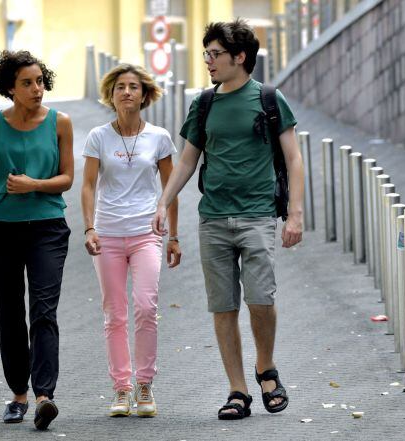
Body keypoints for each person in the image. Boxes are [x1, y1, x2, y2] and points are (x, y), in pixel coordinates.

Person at [152, 19, 304, 420]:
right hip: (213, 219)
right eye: (206, 54)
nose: (208, 61)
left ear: (240, 57)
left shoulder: (269, 99)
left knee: (260, 300)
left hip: (257, 215)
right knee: (223, 307)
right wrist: (163, 201)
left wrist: (294, 215)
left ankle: (265, 366)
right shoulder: (204, 103)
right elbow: (187, 160)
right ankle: (237, 390)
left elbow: (294, 158)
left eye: (215, 54)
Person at [0, 50, 73, 430]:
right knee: (8, 313)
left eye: (40, 81)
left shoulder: (60, 123)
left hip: (47, 226)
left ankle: (45, 395)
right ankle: (18, 394)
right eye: (27, 83)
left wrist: (34, 185)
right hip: (1, 227)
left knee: (44, 310)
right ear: (10, 89)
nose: (37, 89)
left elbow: (67, 178)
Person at [80, 64, 181, 418]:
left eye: (133, 87)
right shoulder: (98, 137)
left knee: (145, 307)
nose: (126, 92)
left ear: (144, 94)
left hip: (145, 235)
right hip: (107, 234)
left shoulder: (159, 137)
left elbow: (170, 190)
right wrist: (89, 228)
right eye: (120, 87)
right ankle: (122, 389)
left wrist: (174, 235)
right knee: (114, 314)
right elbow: (89, 185)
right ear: (111, 95)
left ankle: (145, 385)